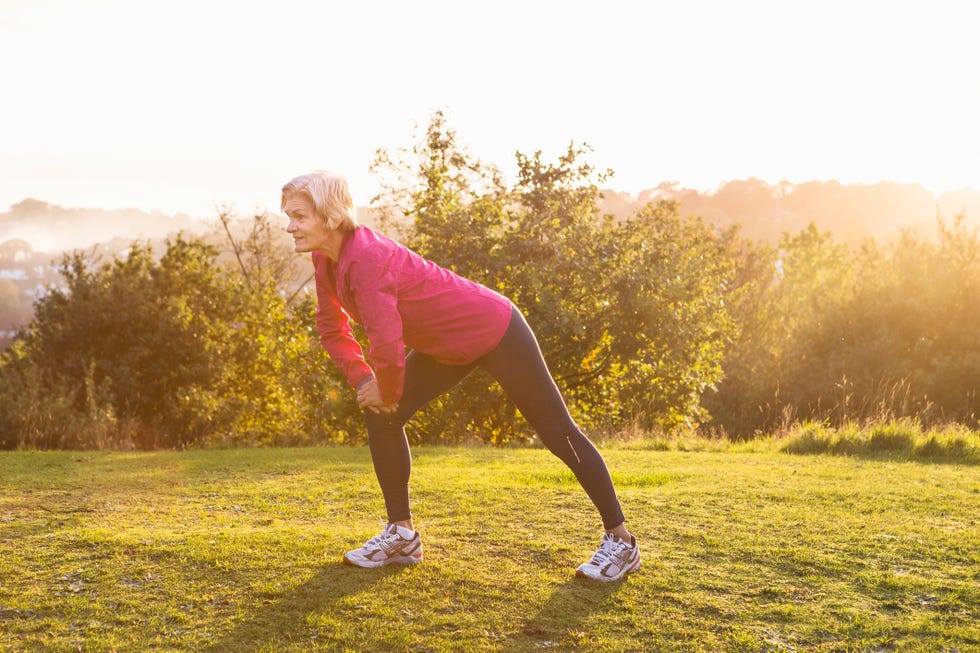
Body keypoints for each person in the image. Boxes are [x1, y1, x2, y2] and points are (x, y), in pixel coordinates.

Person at [282, 170, 640, 582]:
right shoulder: (325, 259)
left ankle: (622, 542)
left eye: (298, 216)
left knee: (557, 431)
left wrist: (387, 387)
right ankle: (401, 535)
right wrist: (365, 381)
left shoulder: (367, 258)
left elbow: (386, 339)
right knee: (381, 414)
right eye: (289, 216)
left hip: (493, 327)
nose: (289, 226)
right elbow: (332, 328)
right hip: (446, 346)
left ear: (329, 216)